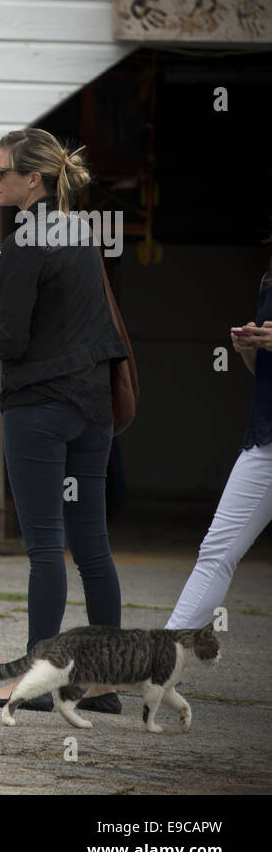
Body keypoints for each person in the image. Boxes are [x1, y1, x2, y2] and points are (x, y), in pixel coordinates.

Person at [0, 128, 127, 713]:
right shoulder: (81, 234)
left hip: (41, 408)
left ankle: (36, 681)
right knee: (92, 547)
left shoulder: (26, 241)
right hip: (93, 409)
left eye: (1, 171)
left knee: (43, 549)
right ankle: (103, 682)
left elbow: (13, 339)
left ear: (33, 179)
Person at [166, 265, 272, 629]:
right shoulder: (268, 278)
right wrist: (249, 349)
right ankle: (160, 663)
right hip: (265, 437)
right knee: (216, 551)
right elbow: (263, 371)